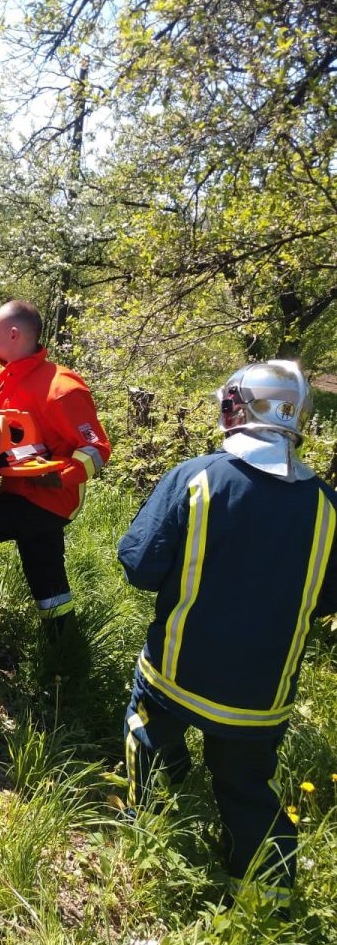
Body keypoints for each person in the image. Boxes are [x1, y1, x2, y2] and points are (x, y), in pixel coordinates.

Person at [118, 360, 336, 912]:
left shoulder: (197, 477)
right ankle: (262, 905)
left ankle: (141, 829)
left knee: (145, 732)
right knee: (247, 790)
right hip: (261, 697)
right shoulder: (328, 506)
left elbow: (140, 566)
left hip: (176, 673)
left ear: (237, 408)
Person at [0, 300, 111, 657]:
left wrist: (59, 477)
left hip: (50, 500)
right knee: (48, 581)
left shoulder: (62, 387)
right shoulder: (4, 378)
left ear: (14, 334)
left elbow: (96, 449)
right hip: (22, 493)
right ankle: (65, 654)